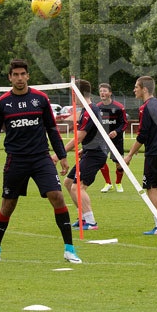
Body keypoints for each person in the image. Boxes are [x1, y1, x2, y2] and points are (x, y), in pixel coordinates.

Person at [0, 59, 80, 263]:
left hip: (41, 158)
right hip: (15, 161)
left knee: (58, 197)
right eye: (15, 74)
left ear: (28, 76)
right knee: (8, 206)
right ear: (10, 77)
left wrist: (62, 155)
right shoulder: (1, 104)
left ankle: (69, 249)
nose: (19, 78)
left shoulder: (40, 99)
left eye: (22, 74)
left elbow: (52, 129)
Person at [124, 76, 157, 235]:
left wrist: (130, 154)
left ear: (144, 89)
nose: (134, 90)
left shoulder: (145, 107)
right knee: (155, 186)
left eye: (136, 87)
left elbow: (142, 135)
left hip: (156, 151)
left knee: (150, 187)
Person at [62, 79, 108, 230]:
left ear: (77, 93)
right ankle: (82, 218)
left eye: (73, 92)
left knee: (78, 187)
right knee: (68, 183)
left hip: (96, 154)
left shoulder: (90, 110)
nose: (72, 96)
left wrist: (60, 154)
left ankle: (91, 221)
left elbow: (80, 136)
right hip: (90, 151)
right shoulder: (87, 109)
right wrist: (85, 148)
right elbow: (93, 134)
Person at [96, 82, 128, 193]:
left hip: (116, 140)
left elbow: (124, 123)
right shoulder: (97, 107)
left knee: (119, 163)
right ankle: (108, 183)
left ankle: (118, 183)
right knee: (100, 161)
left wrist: (116, 131)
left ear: (110, 93)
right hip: (102, 140)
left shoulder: (119, 107)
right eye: (100, 91)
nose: (102, 93)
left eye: (104, 91)